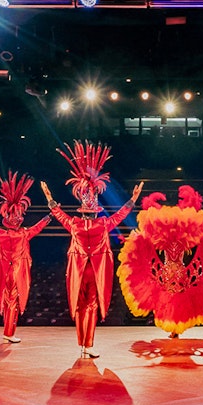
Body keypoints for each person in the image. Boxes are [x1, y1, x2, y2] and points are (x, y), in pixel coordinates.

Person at [41, 140, 142, 359]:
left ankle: (82, 346)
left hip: (79, 270)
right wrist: (133, 199)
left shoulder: (75, 224)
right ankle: (88, 345)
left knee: (80, 305)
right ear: (96, 211)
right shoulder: (104, 224)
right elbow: (121, 215)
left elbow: (58, 214)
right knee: (91, 306)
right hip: (95, 271)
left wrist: (49, 197)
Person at [117, 185, 203, 337]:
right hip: (171, 271)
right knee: (171, 300)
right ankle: (174, 329)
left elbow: (202, 242)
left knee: (174, 300)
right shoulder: (172, 238)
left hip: (174, 271)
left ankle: (175, 329)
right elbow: (146, 243)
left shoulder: (171, 237)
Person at [0, 171, 50, 343]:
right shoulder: (24, 234)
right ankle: (9, 332)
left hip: (3, 270)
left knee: (7, 301)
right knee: (13, 301)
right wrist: (50, 214)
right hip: (15, 271)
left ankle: (8, 331)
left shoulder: (0, 234)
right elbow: (39, 226)